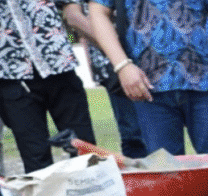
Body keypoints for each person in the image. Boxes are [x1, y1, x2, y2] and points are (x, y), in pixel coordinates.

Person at [88, 0, 208, 155]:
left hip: (204, 81)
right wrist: (122, 65)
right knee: (166, 172)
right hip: (148, 85)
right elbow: (98, 12)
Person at [0, 0, 97, 175]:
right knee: (36, 161)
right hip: (12, 75)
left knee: (85, 149)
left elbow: (72, 9)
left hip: (59, 65)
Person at [63, 1, 148, 159]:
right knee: (133, 135)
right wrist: (114, 46)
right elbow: (73, 17)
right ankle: (143, 180)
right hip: (112, 64)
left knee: (160, 133)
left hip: (152, 57)